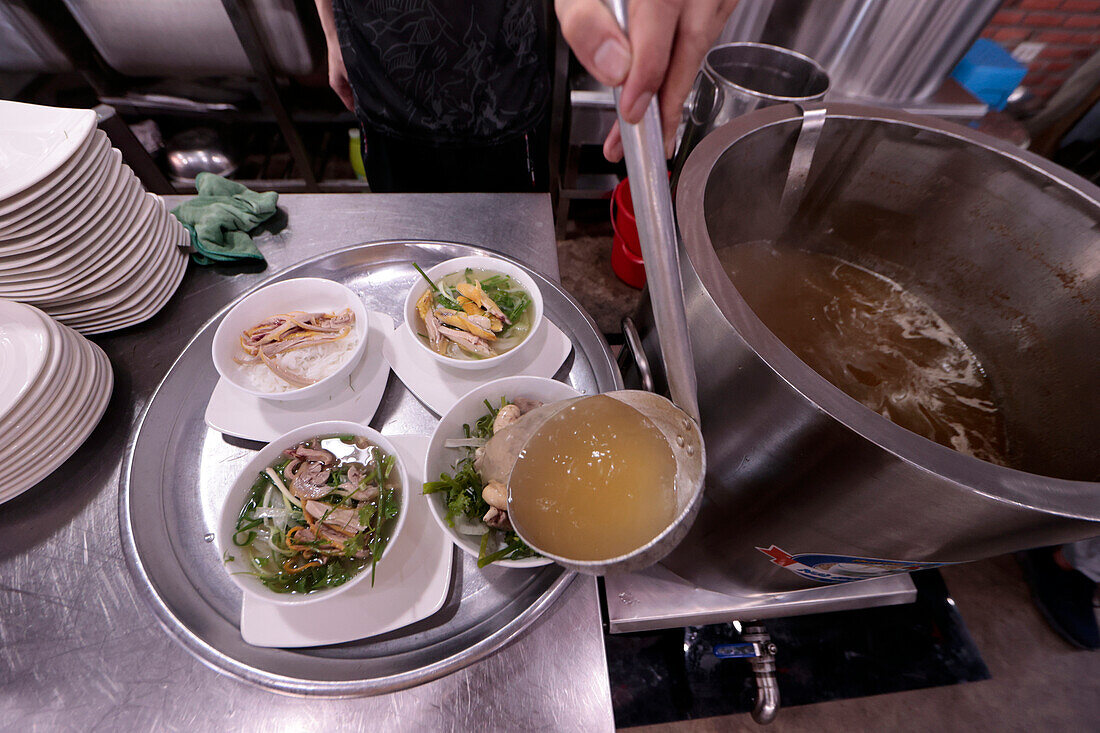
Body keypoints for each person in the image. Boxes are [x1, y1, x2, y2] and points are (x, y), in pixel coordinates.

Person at [314, 0, 736, 192]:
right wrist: (332, 31)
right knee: (407, 253)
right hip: (381, 70)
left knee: (510, 266)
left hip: (501, 88)